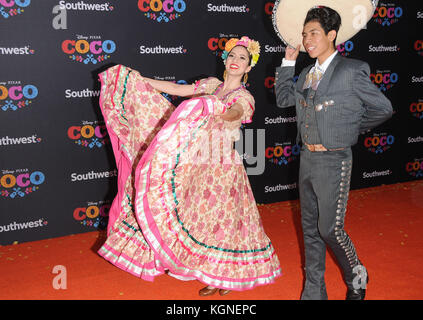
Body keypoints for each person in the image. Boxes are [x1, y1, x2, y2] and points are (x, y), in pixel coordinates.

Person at [97, 36, 282, 297]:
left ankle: (223, 277)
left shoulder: (244, 96)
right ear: (225, 60)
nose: (235, 61)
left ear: (249, 66)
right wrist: (141, 81)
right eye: (232, 56)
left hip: (223, 168)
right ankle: (208, 270)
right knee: (200, 220)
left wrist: (218, 111)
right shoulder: (211, 85)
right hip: (196, 163)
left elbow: (237, 112)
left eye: (242, 58)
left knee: (225, 223)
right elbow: (178, 90)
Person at [272, 2, 392, 300]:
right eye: (304, 34)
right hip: (308, 161)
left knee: (329, 229)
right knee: (310, 231)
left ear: (332, 34)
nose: (307, 39)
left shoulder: (352, 70)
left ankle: (357, 275)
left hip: (335, 158)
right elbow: (284, 99)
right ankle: (314, 292)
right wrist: (288, 64)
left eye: (314, 33)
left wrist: (350, 128)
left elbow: (383, 108)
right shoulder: (305, 74)